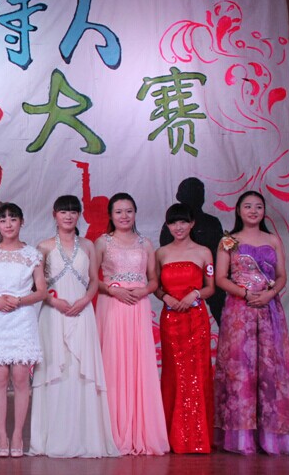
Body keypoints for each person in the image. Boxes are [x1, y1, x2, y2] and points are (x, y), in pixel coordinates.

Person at [213, 190, 289, 455]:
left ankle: (273, 437)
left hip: (269, 310)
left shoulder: (273, 239)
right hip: (239, 313)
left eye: (258, 207)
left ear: (264, 211)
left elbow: (282, 275)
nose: (253, 211)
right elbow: (220, 278)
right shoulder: (229, 241)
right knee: (240, 369)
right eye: (248, 206)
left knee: (271, 370)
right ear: (238, 210)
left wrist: (269, 294)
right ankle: (241, 438)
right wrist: (245, 294)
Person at [29, 195, 119, 458]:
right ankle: (50, 439)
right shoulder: (43, 247)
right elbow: (37, 286)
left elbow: (94, 280)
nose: (68, 216)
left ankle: (86, 438)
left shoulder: (89, 245)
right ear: (54, 215)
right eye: (63, 212)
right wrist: (54, 301)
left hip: (82, 313)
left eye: (73, 212)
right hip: (53, 314)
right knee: (54, 370)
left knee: (82, 371)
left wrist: (85, 300)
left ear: (78, 215)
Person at [94, 192, 169, 455]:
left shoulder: (145, 243)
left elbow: (154, 279)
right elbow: (91, 280)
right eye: (119, 212)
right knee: (114, 362)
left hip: (138, 306)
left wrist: (144, 290)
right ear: (110, 215)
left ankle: (140, 430)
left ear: (135, 213)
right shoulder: (102, 242)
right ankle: (113, 431)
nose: (124, 216)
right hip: (112, 305)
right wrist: (113, 290)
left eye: (129, 211)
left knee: (138, 364)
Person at [0, 202, 46, 458]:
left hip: (22, 317)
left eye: (13, 219)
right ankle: (2, 435)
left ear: (21, 222)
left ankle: (17, 433)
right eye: (3, 220)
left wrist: (19, 300)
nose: (8, 224)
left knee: (20, 378)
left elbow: (41, 291)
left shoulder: (32, 255)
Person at [154, 203, 215, 454]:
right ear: (168, 226)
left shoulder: (204, 252)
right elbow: (156, 286)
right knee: (174, 373)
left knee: (197, 374)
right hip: (171, 319)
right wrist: (165, 297)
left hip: (196, 319)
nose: (178, 227)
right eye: (173, 222)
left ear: (192, 224)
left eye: (183, 222)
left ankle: (198, 437)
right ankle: (172, 435)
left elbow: (211, 287)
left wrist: (196, 294)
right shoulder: (160, 253)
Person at [159, 177, 225, 324]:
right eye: (190, 193)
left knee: (223, 317)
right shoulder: (169, 226)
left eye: (199, 193)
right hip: (179, 282)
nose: (178, 227)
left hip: (211, 278)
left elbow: (220, 253)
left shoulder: (212, 222)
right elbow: (166, 254)